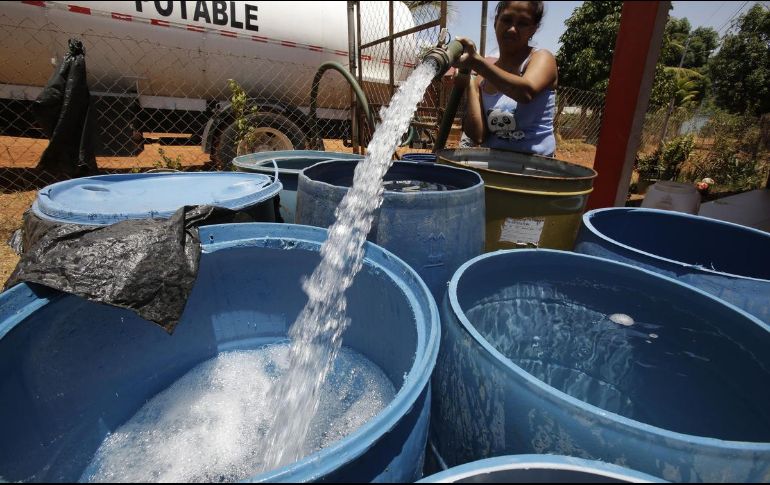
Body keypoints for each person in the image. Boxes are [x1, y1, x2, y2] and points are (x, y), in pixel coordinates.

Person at [454, 1, 557, 157]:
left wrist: (477, 63)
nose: (512, 29)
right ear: (496, 22)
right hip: (496, 167)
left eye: (523, 23)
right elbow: (478, 135)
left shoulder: (542, 59)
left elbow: (525, 92)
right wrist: (471, 84)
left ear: (533, 30)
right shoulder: (483, 77)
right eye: (507, 20)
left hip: (536, 170)